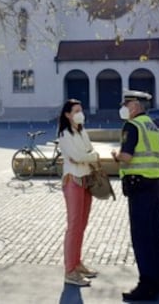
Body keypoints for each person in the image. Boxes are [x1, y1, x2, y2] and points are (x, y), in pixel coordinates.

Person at [111, 90, 159, 301]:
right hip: (156, 183)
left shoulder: (132, 125)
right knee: (155, 234)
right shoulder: (152, 125)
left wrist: (115, 156)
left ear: (135, 105)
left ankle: (147, 285)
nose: (123, 108)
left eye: (126, 104)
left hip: (140, 186)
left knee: (142, 236)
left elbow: (126, 156)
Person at [57, 99, 100, 287]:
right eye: (76, 111)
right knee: (74, 225)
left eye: (81, 110)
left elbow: (88, 151)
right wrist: (88, 157)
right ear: (68, 115)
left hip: (86, 180)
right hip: (73, 181)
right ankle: (69, 270)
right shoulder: (65, 134)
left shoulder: (82, 132)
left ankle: (77, 263)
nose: (80, 113)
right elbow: (78, 156)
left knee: (82, 224)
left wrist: (87, 157)